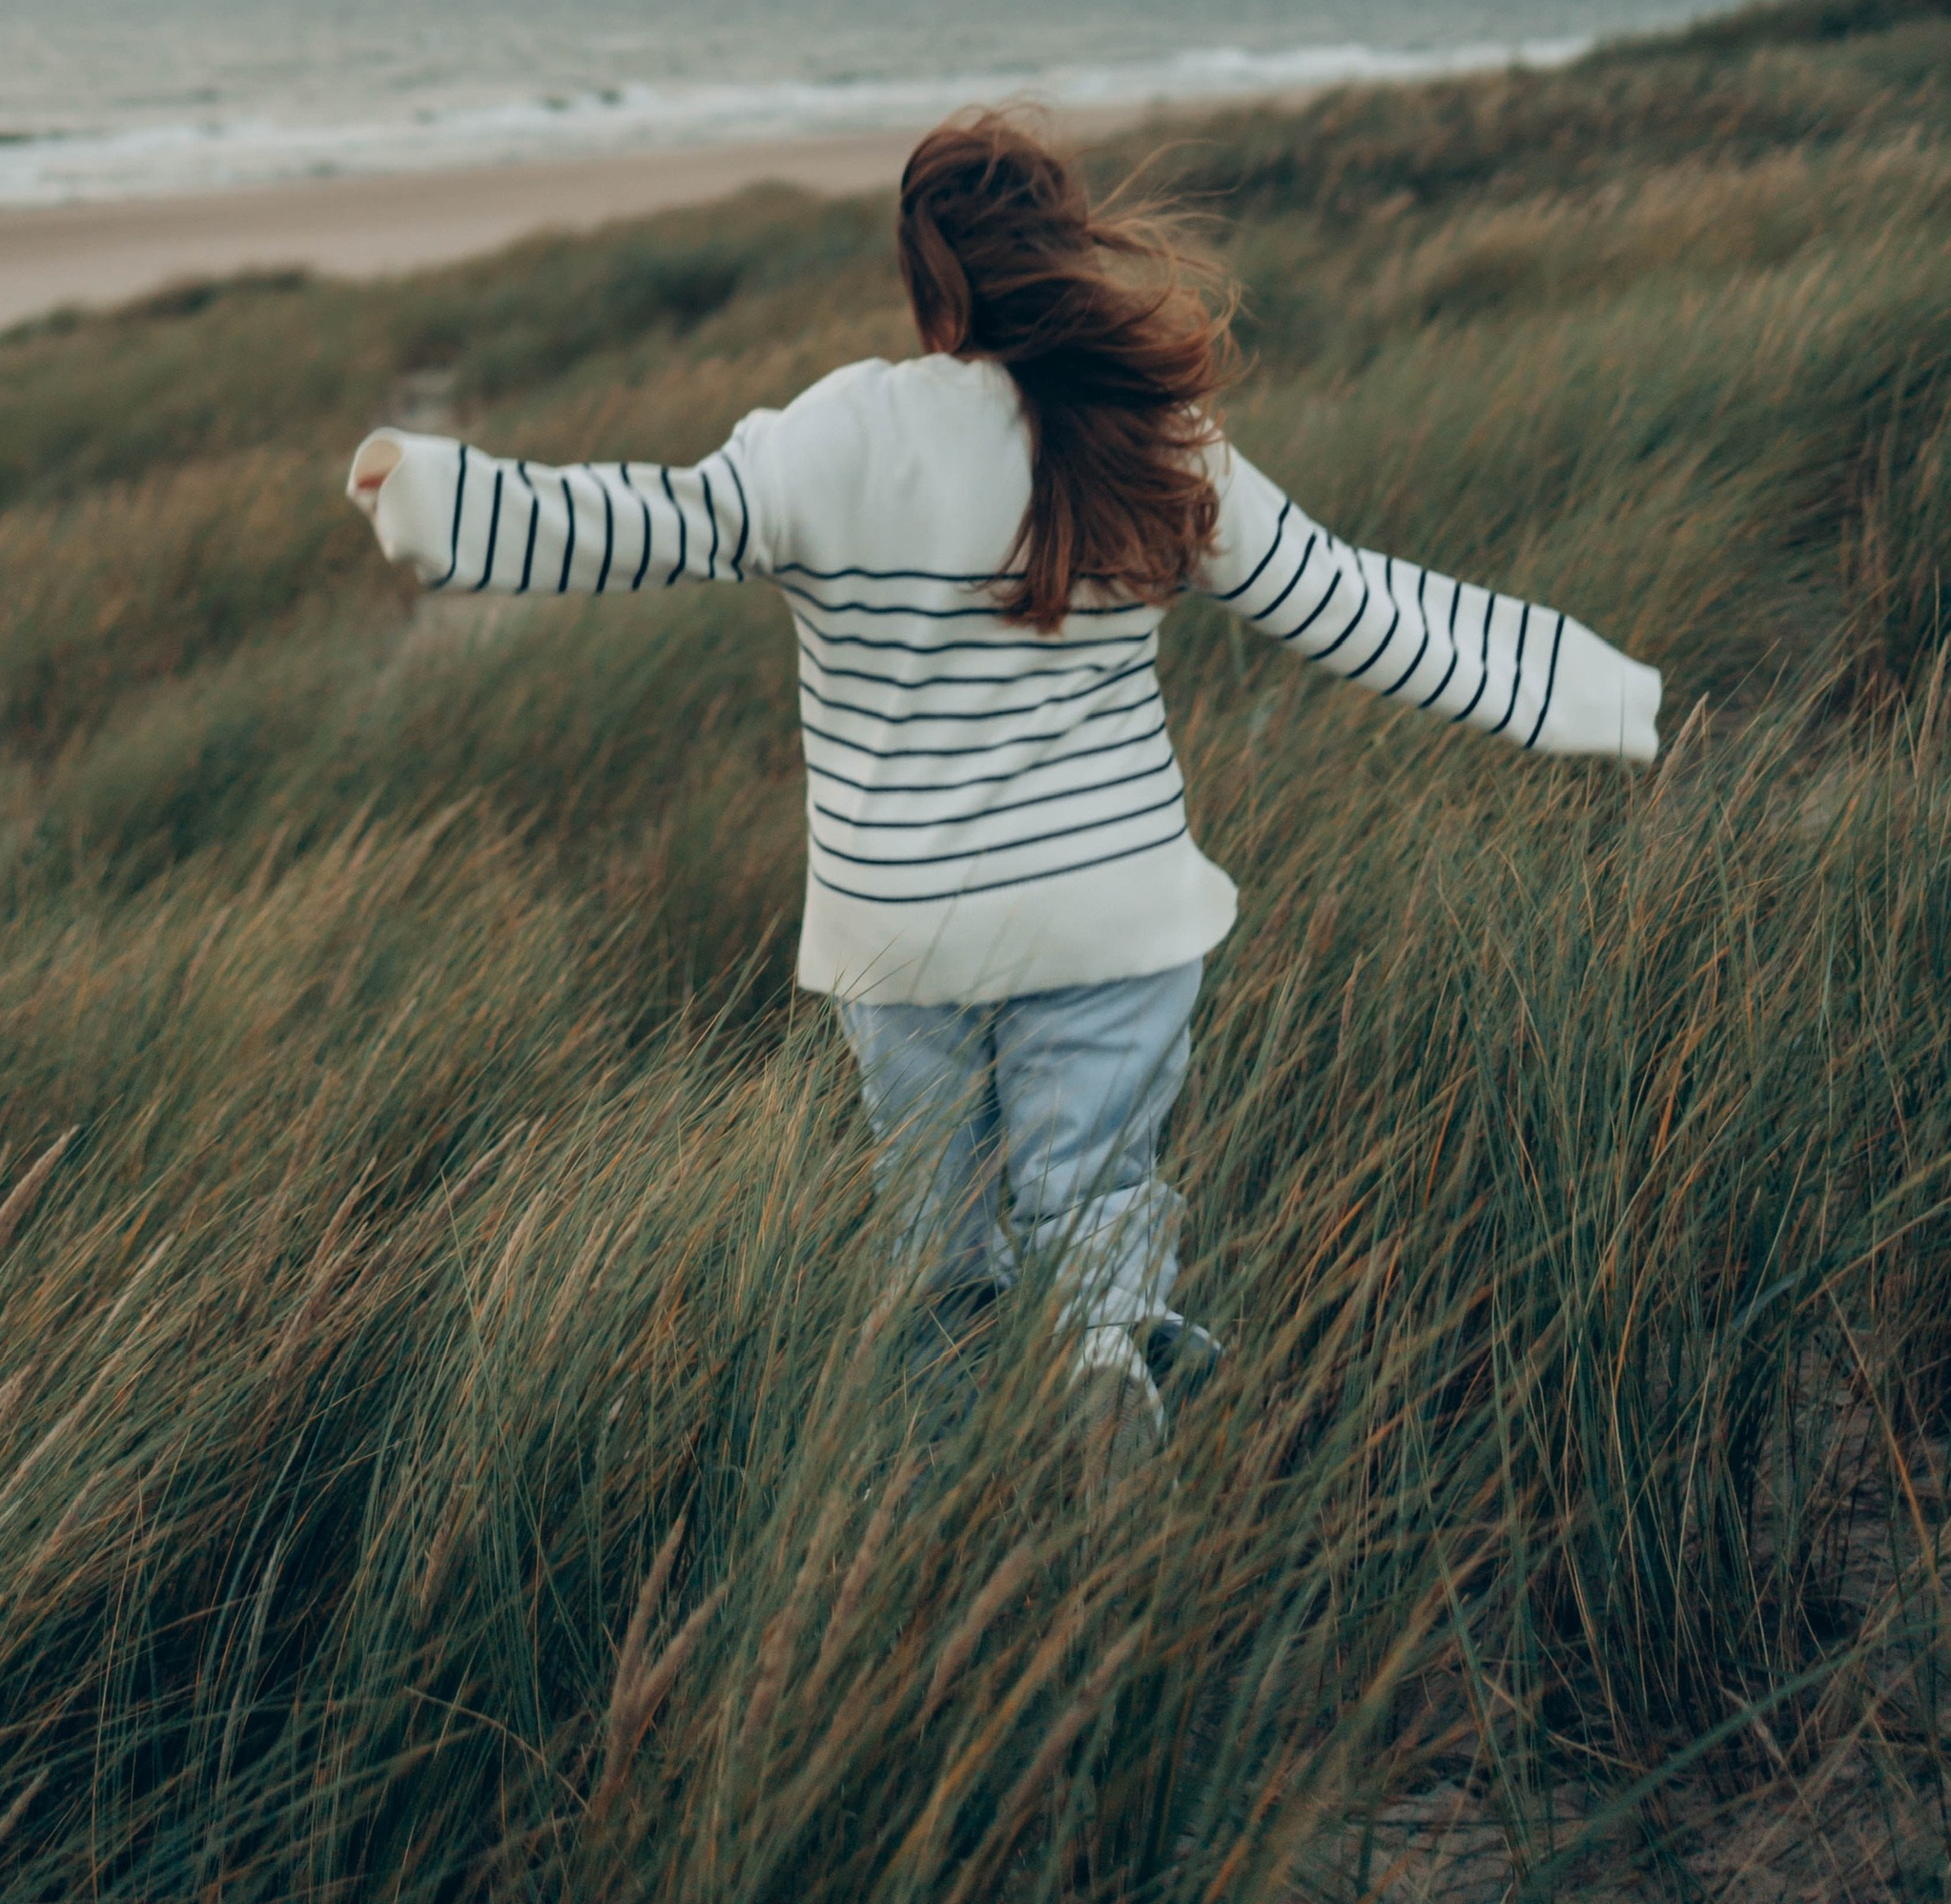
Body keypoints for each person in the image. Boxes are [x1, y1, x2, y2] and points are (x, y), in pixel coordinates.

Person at [347, 110, 1660, 1434]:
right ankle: (1105, 1373)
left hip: (907, 929)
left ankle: (950, 1502)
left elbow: (644, 525)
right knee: (1092, 1205)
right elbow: (1347, 602)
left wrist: (432, 496)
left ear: (928, 279)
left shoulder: (841, 433)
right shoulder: (1154, 431)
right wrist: (1588, 693)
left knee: (939, 1242)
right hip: (1112, 912)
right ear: (1064, 252)